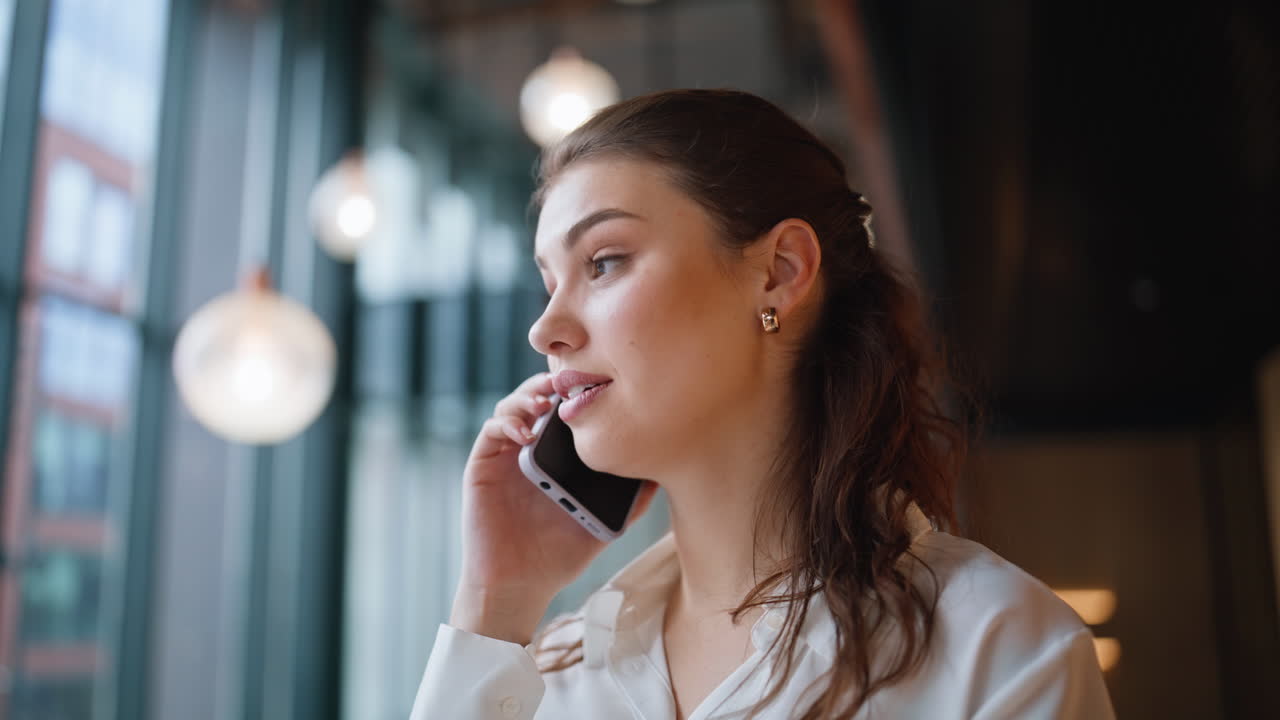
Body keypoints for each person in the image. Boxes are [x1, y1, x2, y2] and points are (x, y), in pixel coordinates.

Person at [409, 89, 1115, 720]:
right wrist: (493, 606)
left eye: (603, 262)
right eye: (549, 282)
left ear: (779, 273)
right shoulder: (553, 675)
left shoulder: (999, 652)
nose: (545, 329)